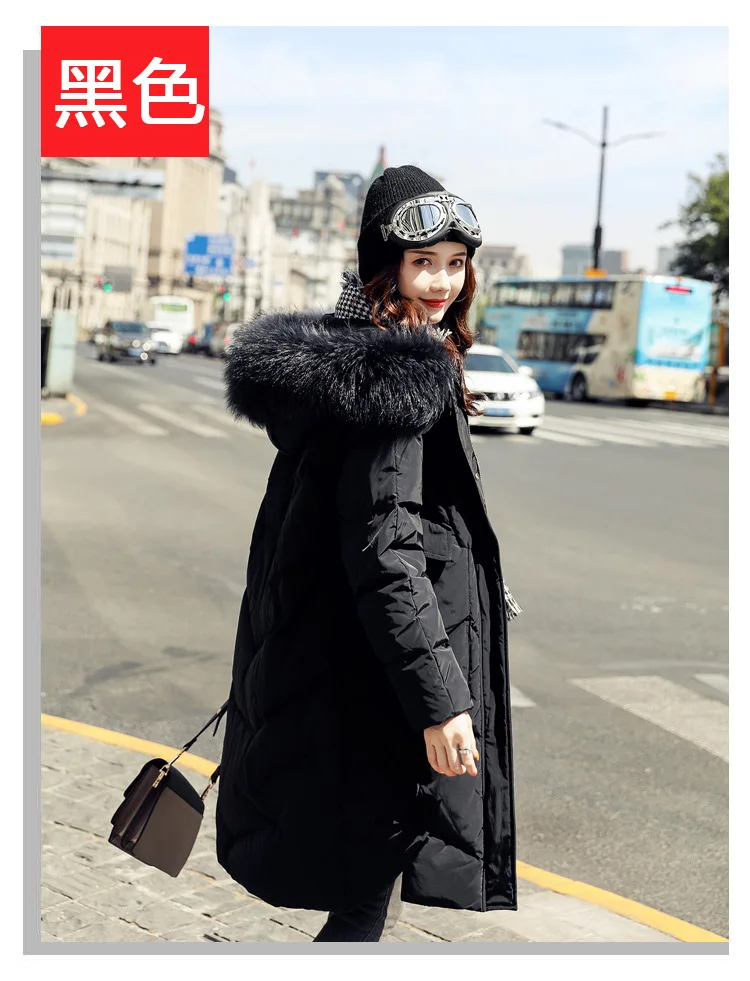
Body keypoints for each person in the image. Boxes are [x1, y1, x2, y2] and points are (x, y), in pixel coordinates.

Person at [215, 165, 518, 943]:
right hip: (369, 690)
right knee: (360, 904)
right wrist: (441, 700)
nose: (443, 282)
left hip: (337, 671)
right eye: (424, 263)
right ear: (386, 265)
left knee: (361, 897)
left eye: (456, 263)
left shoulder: (358, 360)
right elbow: (387, 551)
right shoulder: (395, 377)